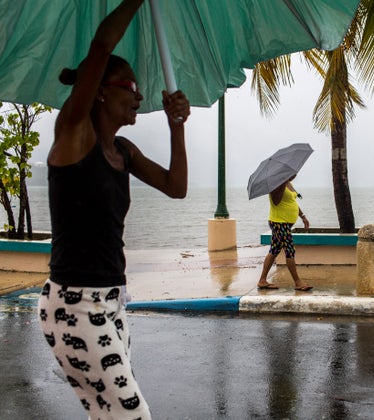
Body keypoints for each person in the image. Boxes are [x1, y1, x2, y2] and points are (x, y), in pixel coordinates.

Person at [37, 1, 190, 418]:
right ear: (101, 89)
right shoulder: (73, 135)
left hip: (111, 302)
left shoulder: (123, 151)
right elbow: (102, 46)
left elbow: (176, 187)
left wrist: (177, 128)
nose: (139, 95)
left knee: (108, 415)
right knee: (133, 415)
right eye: (131, 85)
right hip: (74, 305)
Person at [257, 176, 313, 291]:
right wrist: (282, 183)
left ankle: (262, 281)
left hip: (285, 223)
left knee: (274, 250)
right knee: (290, 250)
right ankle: (298, 282)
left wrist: (303, 216)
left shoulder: (289, 183)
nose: (295, 174)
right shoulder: (276, 183)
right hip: (279, 223)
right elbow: (275, 201)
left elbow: (292, 202)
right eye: (293, 173)